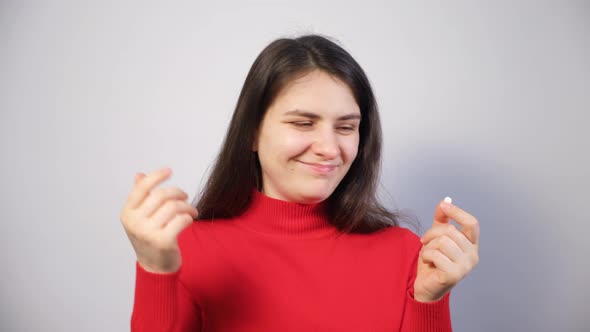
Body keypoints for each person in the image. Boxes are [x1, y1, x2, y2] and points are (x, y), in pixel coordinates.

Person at [120, 34, 480, 331]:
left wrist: (430, 300)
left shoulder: (403, 253)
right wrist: (155, 270)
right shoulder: (187, 250)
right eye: (302, 123)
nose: (328, 148)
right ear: (252, 134)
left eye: (345, 127)